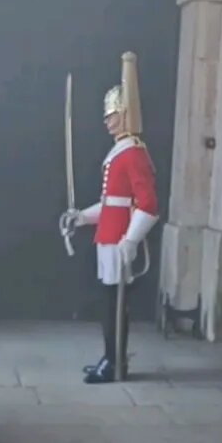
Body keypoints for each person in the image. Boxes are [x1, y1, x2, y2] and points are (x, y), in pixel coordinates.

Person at [60, 69, 159, 384]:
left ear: (126, 115)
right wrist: (82, 217)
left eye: (112, 114)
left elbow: (148, 205)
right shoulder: (120, 152)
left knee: (114, 307)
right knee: (108, 305)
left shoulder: (133, 153)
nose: (107, 120)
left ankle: (115, 363)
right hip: (109, 237)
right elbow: (111, 203)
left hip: (119, 241)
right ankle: (111, 358)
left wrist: (131, 240)